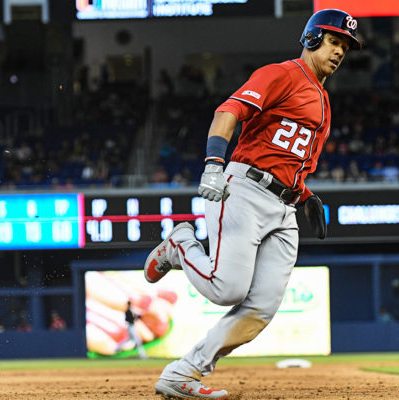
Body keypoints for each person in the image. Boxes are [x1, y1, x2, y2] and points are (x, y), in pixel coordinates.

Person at [143, 8, 361, 399]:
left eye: (344, 46)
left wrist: (306, 196)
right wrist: (213, 162)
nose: (340, 51)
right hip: (244, 189)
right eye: (333, 41)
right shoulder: (282, 74)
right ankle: (181, 244)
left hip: (284, 206)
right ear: (311, 39)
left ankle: (182, 374)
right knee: (228, 289)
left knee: (260, 309)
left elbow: (288, 156)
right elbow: (229, 111)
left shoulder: (323, 100)